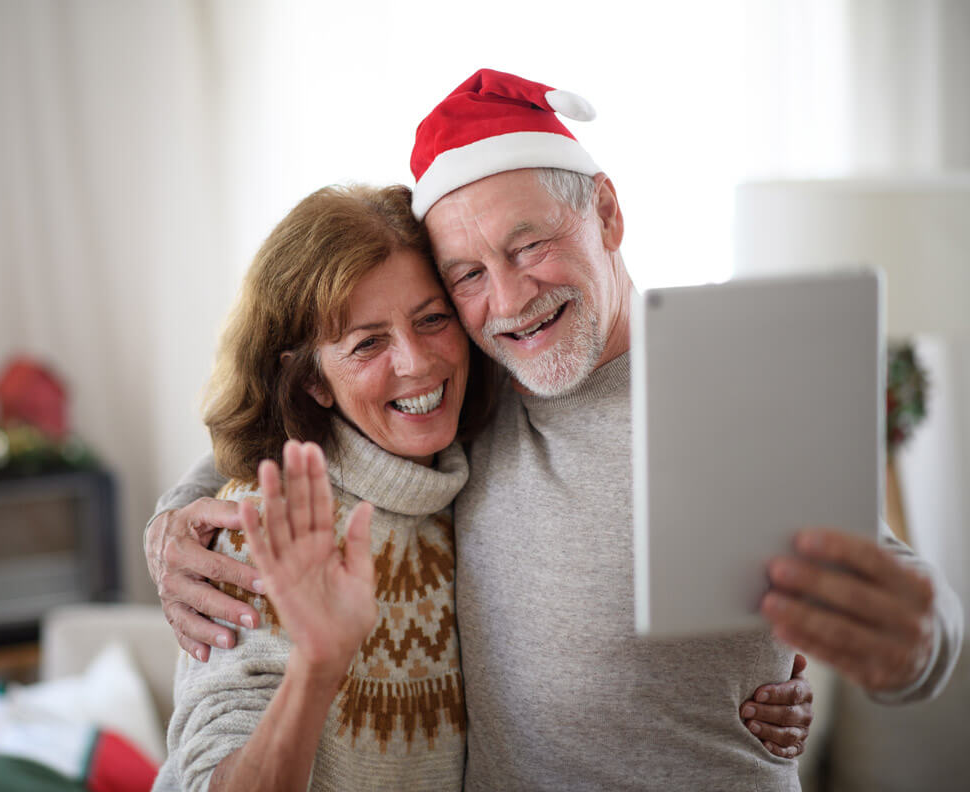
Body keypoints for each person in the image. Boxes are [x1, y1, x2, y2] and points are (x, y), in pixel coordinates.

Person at [146, 69, 962, 789]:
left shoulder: (727, 376)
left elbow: (897, 588)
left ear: (605, 213)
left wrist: (919, 643)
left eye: (529, 244)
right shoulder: (472, 380)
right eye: (467, 275)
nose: (507, 300)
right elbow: (297, 416)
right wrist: (172, 525)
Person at [152, 183, 811, 791]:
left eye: (433, 319)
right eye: (367, 343)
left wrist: (752, 675)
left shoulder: (466, 457)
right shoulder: (258, 537)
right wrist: (317, 666)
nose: (416, 364)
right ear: (313, 381)